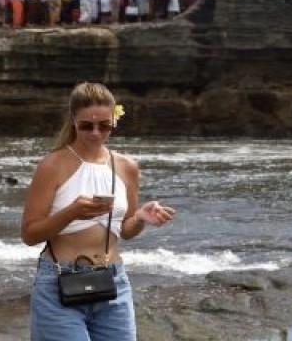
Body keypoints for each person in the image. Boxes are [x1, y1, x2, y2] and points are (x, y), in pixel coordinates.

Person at [20, 82, 176, 341]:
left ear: (115, 120)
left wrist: (140, 218)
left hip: (113, 281)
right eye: (86, 126)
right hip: (59, 281)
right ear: (73, 121)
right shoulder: (52, 165)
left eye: (105, 125)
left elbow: (125, 231)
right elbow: (29, 234)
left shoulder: (127, 166)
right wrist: (72, 212)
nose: (96, 133)